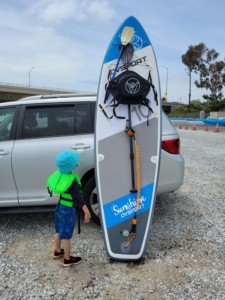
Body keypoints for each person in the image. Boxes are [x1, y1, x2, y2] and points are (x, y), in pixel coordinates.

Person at [47, 150, 91, 267]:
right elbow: (79, 198)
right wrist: (87, 211)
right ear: (72, 166)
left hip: (60, 206)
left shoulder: (60, 175)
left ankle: (57, 251)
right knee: (66, 235)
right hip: (68, 209)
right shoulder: (72, 181)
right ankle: (67, 259)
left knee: (58, 229)